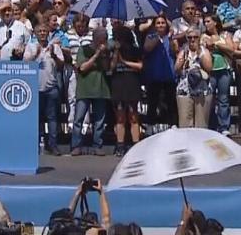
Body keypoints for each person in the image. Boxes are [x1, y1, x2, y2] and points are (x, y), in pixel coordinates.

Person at [24, 22, 65, 155]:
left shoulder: (54, 47)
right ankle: (36, 145)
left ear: (48, 33)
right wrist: (35, 54)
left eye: (44, 31)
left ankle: (53, 145)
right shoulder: (30, 46)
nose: (42, 33)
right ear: (35, 34)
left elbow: (61, 65)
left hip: (51, 87)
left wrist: (53, 54)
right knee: (36, 118)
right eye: (39, 31)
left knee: (52, 118)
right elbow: (25, 64)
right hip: (35, 88)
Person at [71, 27, 111, 156]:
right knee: (78, 119)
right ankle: (76, 145)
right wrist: (96, 55)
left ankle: (97, 145)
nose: (103, 41)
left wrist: (105, 55)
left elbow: (107, 68)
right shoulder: (84, 49)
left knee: (99, 120)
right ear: (95, 38)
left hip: (101, 88)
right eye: (101, 39)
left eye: (105, 39)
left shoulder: (107, 51)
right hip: (85, 88)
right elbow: (82, 68)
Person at [109, 24, 143, 156]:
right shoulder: (114, 50)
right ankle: (120, 144)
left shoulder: (135, 50)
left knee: (133, 116)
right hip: (118, 82)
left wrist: (124, 62)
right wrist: (117, 53)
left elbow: (140, 66)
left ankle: (136, 144)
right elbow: (111, 68)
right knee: (120, 116)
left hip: (132, 81)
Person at [142, 16, 178, 128]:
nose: (161, 25)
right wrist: (158, 37)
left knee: (171, 103)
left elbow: (175, 50)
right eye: (158, 23)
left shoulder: (170, 37)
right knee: (152, 103)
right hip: (154, 76)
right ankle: (150, 127)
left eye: (163, 23)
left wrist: (171, 38)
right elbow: (147, 48)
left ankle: (173, 126)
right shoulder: (150, 36)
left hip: (169, 76)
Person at [175, 29, 213, 128]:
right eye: (190, 37)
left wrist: (199, 53)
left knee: (201, 124)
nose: (192, 40)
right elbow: (177, 69)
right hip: (185, 90)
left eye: (195, 37)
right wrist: (182, 61)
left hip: (202, 90)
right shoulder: (183, 51)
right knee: (185, 124)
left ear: (199, 38)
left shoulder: (204, 51)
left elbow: (209, 68)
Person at [203, 15, 234, 135]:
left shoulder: (225, 35)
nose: (206, 24)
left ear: (215, 22)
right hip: (210, 69)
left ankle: (224, 126)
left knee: (224, 98)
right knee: (209, 98)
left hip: (224, 68)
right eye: (205, 21)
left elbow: (231, 49)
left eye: (208, 21)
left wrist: (217, 44)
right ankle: (211, 124)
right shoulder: (203, 36)